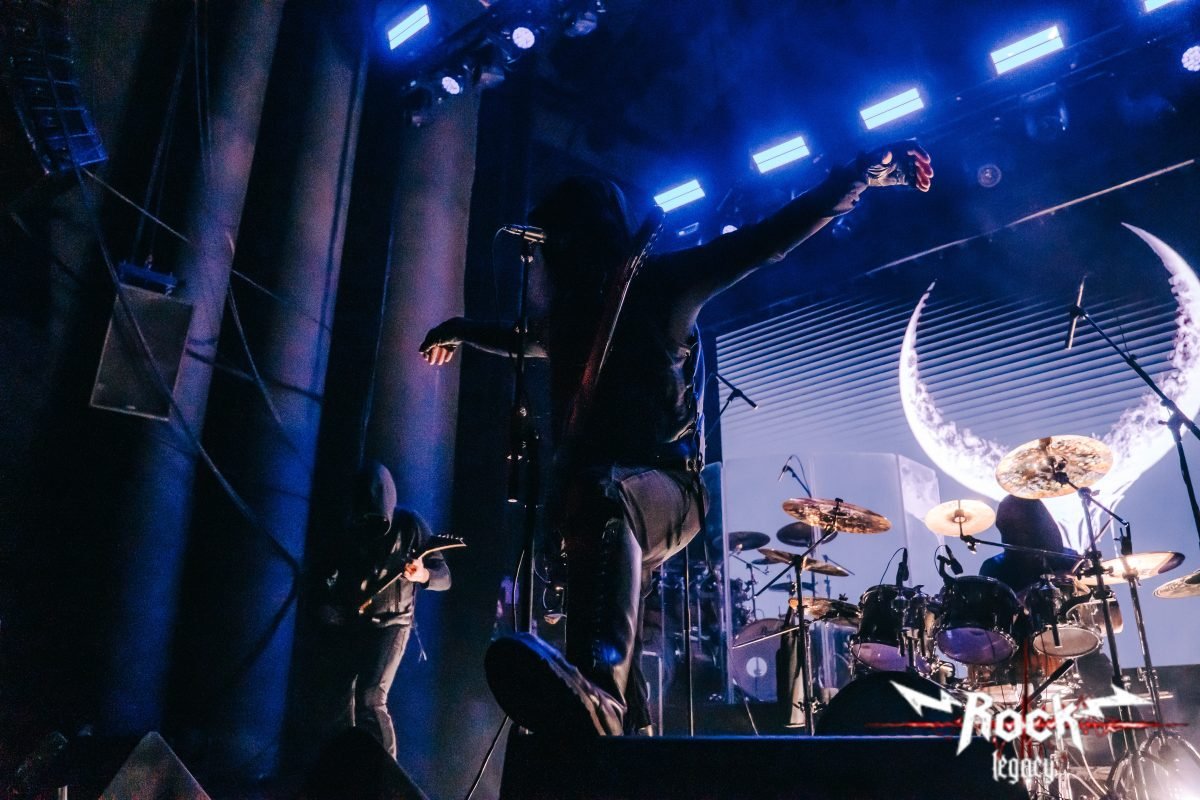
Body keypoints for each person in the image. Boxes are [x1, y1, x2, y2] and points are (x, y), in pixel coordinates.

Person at [420, 143, 933, 736]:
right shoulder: (569, 320)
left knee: (603, 496)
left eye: (560, 238)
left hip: (669, 490)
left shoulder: (659, 284)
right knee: (594, 614)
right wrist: (460, 329)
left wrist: (853, 179)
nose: (550, 254)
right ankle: (620, 734)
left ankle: (601, 700)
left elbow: (765, 242)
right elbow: (521, 339)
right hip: (603, 504)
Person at [320, 463, 451, 758]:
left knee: (371, 698)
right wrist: (328, 603)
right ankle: (351, 765)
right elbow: (327, 571)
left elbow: (444, 577)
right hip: (354, 621)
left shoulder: (410, 525)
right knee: (342, 699)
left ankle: (385, 773)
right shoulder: (348, 527)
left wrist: (422, 575)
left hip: (393, 624)